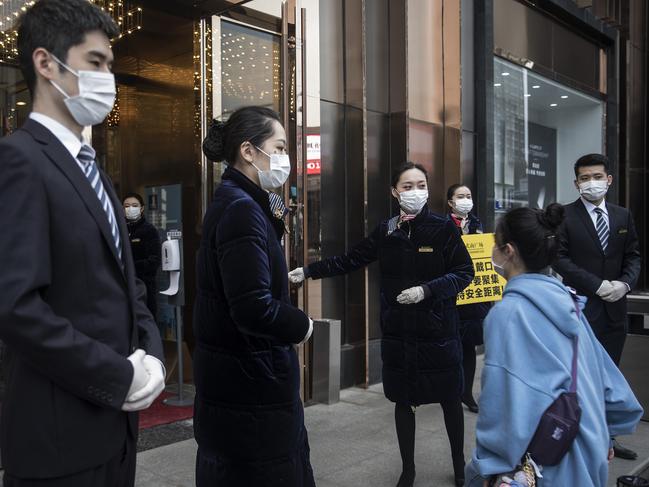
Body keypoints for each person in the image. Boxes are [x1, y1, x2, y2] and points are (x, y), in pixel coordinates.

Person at [0, 1, 165, 486]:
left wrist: (152, 356)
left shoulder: (92, 169)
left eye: (110, 66)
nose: (107, 78)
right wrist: (117, 377)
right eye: (95, 63)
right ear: (46, 63)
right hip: (58, 439)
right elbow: (15, 306)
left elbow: (127, 285)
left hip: (116, 433)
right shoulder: (18, 161)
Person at [290, 162, 474, 487]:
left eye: (420, 185)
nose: (415, 192)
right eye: (407, 186)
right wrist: (309, 271)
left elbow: (464, 273)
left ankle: (460, 466)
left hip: (438, 332)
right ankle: (408, 470)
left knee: (449, 398)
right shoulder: (387, 229)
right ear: (394, 192)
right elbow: (351, 259)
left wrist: (427, 290)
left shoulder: (444, 228)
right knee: (404, 401)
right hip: (399, 334)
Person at [464, 204, 643, 487]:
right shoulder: (569, 302)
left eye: (496, 244)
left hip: (544, 467)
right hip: (589, 450)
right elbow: (609, 381)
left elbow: (501, 404)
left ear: (508, 251)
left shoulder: (508, 313)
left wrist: (491, 466)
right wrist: (607, 434)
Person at [193, 107, 315, 486]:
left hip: (239, 385)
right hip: (252, 387)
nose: (284, 159)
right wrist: (303, 325)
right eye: (278, 147)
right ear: (248, 151)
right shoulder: (242, 209)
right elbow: (252, 306)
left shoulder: (240, 202)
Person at [553, 153, 641, 460]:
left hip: (616, 310)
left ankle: (609, 438)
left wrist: (624, 284)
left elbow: (633, 255)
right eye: (585, 178)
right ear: (576, 183)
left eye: (597, 177)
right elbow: (560, 258)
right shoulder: (565, 215)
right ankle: (579, 438)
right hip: (581, 309)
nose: (592, 183)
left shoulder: (622, 216)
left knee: (611, 376)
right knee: (581, 377)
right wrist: (597, 285)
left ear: (609, 179)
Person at [447, 184, 490, 414]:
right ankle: (451, 390)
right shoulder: (442, 225)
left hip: (473, 299)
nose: (466, 200)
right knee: (451, 347)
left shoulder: (478, 224)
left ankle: (466, 394)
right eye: (460, 196)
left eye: (468, 196)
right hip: (451, 294)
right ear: (450, 203)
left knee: (469, 347)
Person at [123, 193, 161, 322]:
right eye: (126, 206)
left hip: (144, 289)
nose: (130, 208)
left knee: (145, 325)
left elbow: (154, 261)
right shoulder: (119, 229)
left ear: (142, 208)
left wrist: (129, 267)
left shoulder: (149, 230)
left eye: (134, 205)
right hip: (123, 289)